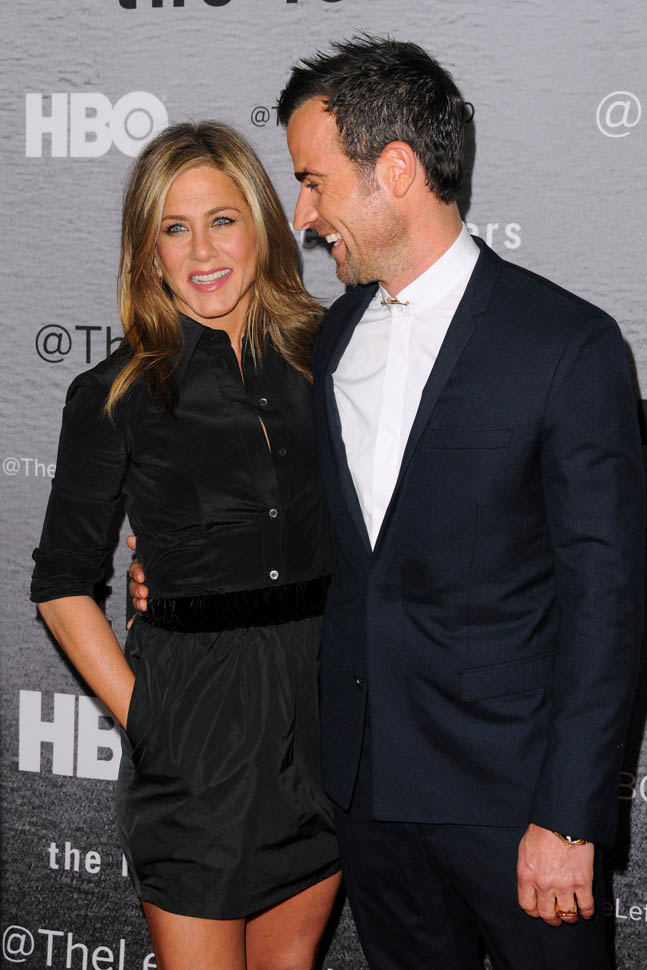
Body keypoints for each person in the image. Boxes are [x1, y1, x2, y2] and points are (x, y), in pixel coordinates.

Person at [31, 121, 341, 970]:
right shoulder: (115, 392)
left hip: (322, 711)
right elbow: (61, 582)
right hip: (196, 723)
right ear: (149, 253)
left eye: (222, 220)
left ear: (262, 226)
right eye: (175, 227)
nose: (202, 250)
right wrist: (151, 721)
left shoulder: (334, 356)